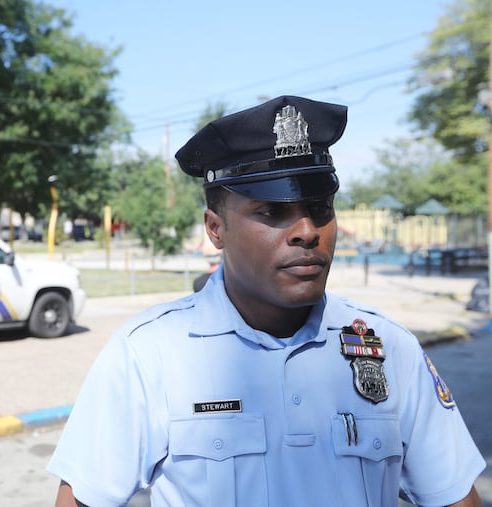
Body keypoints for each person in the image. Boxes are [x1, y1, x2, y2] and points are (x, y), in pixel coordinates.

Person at [47, 96, 485, 506]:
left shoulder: (390, 349)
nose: (307, 231)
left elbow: (453, 494)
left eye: (320, 207)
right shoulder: (150, 353)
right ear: (215, 229)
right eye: (273, 213)